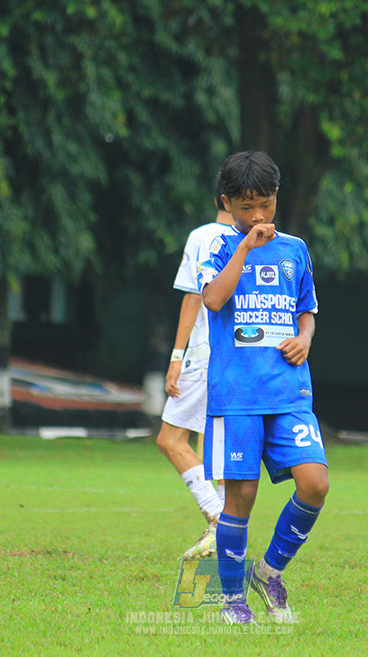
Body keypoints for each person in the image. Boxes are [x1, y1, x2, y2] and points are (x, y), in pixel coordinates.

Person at [198, 151, 329, 625]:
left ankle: (269, 571)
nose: (258, 217)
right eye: (247, 206)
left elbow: (306, 308)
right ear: (227, 203)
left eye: (266, 205)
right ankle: (232, 601)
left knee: (315, 483)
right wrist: (244, 249)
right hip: (237, 396)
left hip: (289, 391)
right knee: (242, 498)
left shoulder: (295, 248)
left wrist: (305, 339)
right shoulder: (215, 246)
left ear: (277, 198)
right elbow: (212, 299)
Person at [155, 191, 233, 559]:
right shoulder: (258, 241)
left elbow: (191, 297)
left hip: (204, 354)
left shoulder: (202, 236)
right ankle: (219, 529)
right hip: (237, 359)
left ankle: (220, 522)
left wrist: (175, 357)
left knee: (170, 439)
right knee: (210, 445)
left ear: (220, 197)